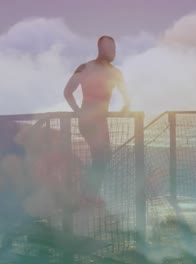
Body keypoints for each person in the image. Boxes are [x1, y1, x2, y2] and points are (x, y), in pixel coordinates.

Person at [63, 35, 130, 203]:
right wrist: (78, 111)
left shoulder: (116, 73)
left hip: (101, 122)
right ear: (101, 49)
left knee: (104, 158)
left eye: (115, 49)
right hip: (88, 121)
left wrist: (125, 108)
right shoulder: (85, 67)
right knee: (100, 157)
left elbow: (126, 96)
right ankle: (88, 195)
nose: (114, 52)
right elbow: (67, 92)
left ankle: (87, 190)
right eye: (110, 48)